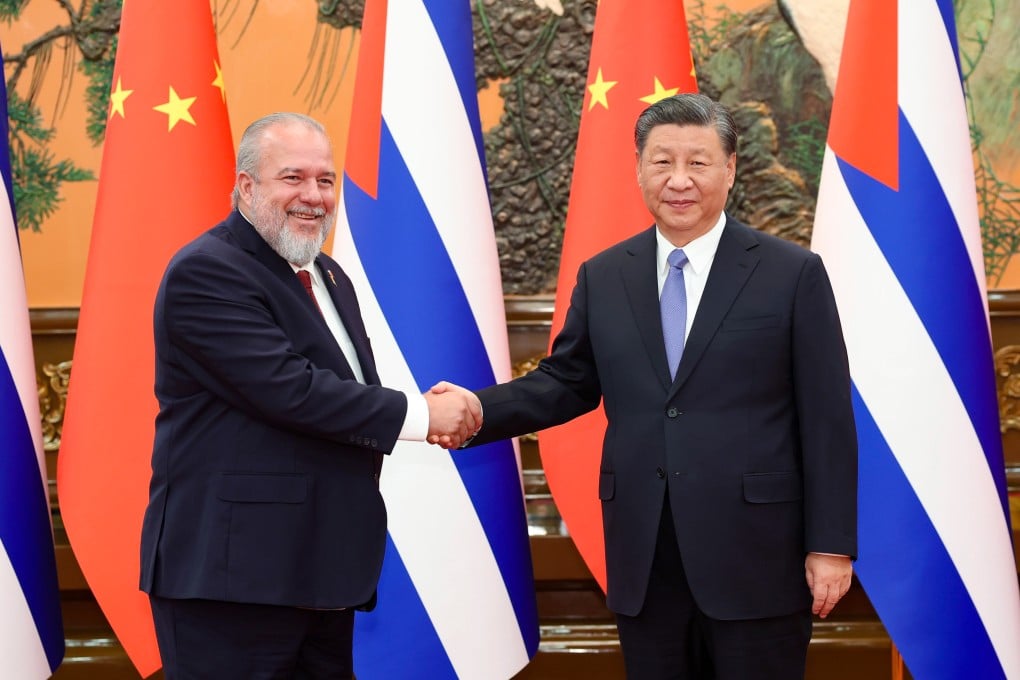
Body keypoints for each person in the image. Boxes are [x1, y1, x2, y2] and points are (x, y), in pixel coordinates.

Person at [435, 93, 857, 678]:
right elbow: (566, 382)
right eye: (661, 162)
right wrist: (478, 408)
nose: (679, 180)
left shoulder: (791, 274)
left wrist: (830, 544)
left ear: (730, 170)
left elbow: (828, 417)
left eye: (698, 163)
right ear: (638, 168)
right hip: (645, 551)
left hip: (758, 554)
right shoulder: (605, 275)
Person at [139, 112, 481, 679]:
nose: (314, 195)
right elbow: (291, 391)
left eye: (326, 179)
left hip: (319, 574)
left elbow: (341, 396)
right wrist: (423, 415)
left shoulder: (326, 273)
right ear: (246, 186)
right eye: (292, 178)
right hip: (234, 583)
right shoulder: (207, 271)